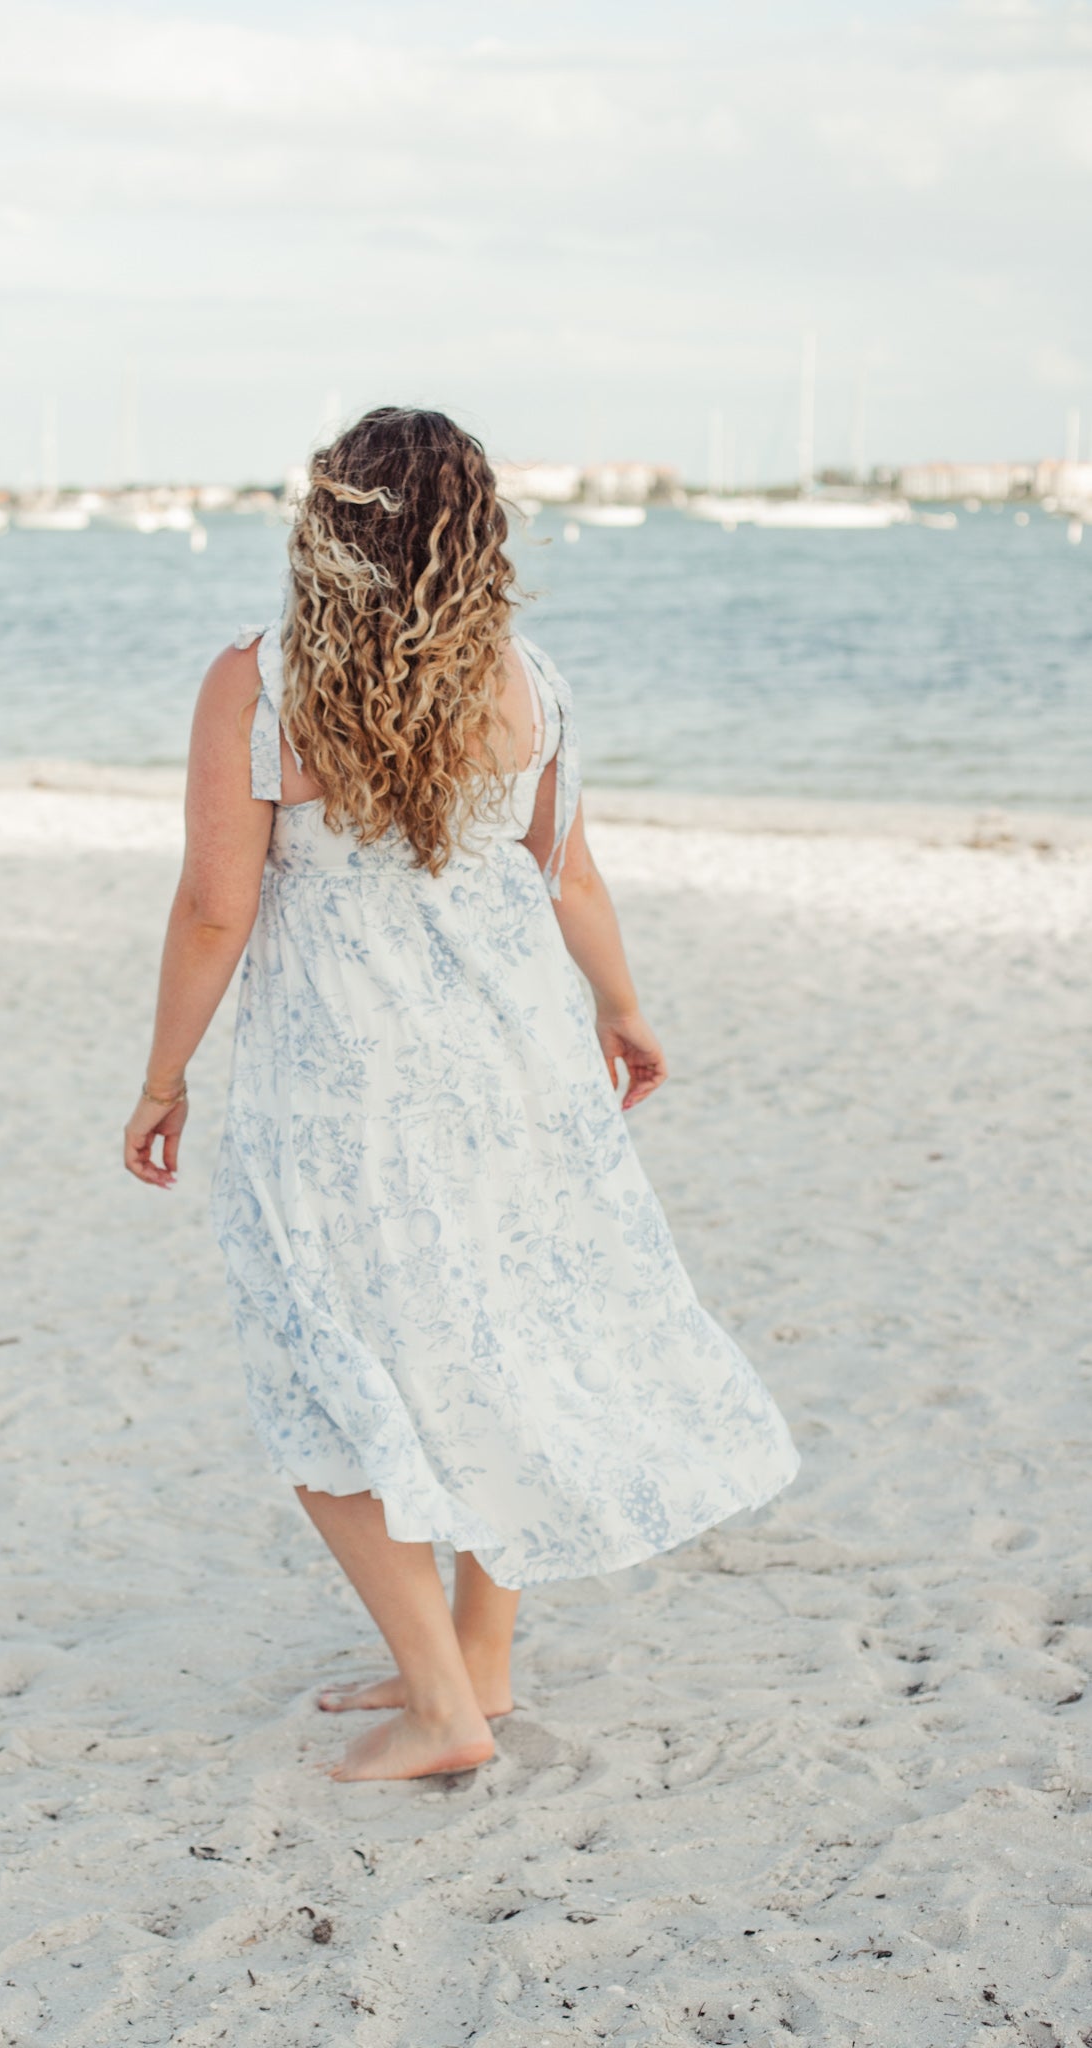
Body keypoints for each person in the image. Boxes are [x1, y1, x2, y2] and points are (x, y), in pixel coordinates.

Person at [124, 406, 800, 1783]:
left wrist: (160, 1076)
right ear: (474, 533)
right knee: (492, 1335)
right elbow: (570, 875)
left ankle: (446, 1706)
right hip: (516, 1066)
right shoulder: (526, 679)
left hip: (346, 1085)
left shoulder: (260, 686)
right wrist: (620, 1008)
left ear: (328, 527)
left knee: (325, 1371)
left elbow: (212, 911)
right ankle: (473, 1657)